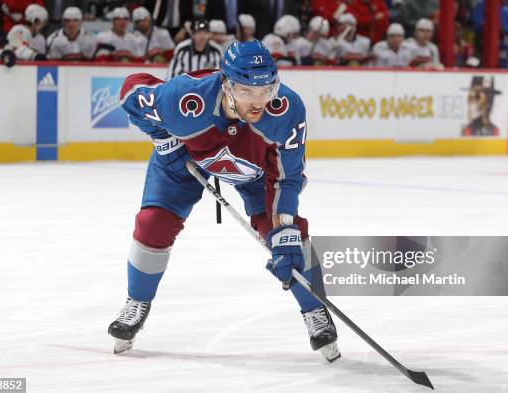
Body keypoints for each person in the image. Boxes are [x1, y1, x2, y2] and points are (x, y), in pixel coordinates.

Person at [108, 40, 340, 362]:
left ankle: (315, 310)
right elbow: (132, 93)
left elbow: (287, 177)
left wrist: (283, 226)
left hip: (258, 174)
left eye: (265, 90)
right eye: (247, 92)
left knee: (288, 239)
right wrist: (165, 140)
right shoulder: (185, 99)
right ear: (226, 84)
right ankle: (137, 300)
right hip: (184, 161)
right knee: (153, 224)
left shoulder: (287, 110)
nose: (258, 102)